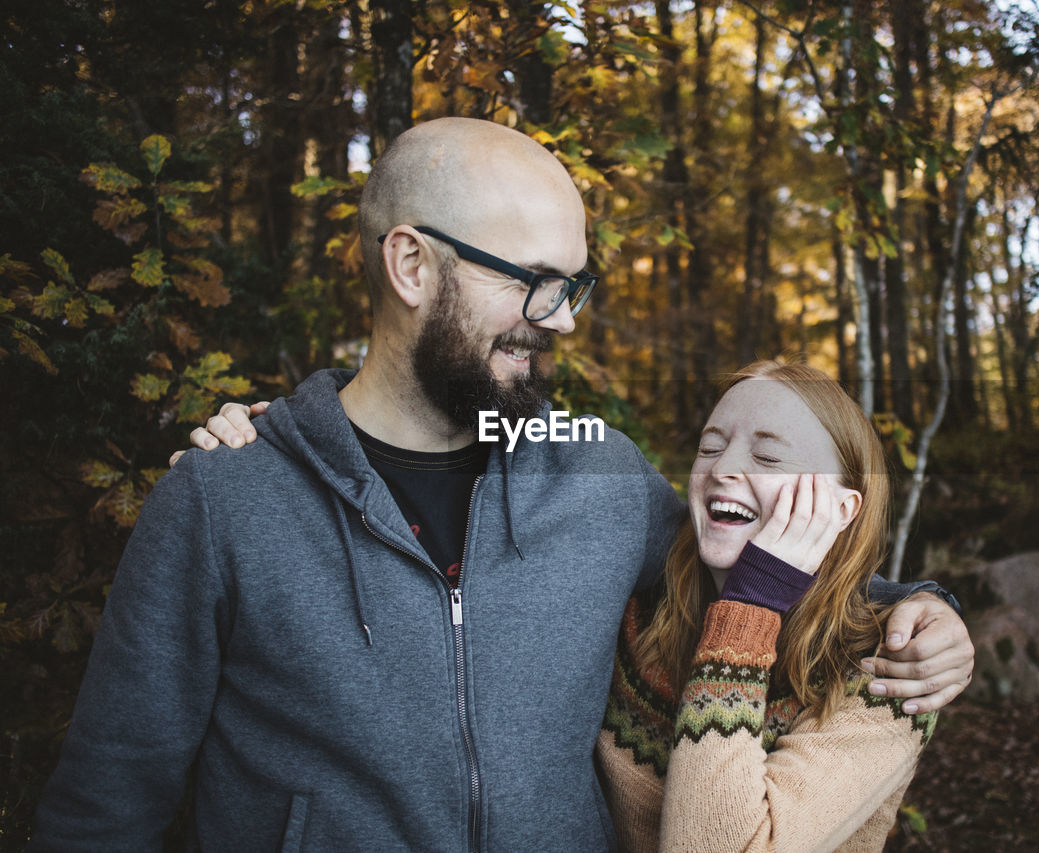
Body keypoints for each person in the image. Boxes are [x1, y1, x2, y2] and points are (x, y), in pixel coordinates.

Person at [32, 118, 971, 851]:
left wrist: (921, 610)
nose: (560, 322)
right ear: (411, 265)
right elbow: (105, 808)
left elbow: (737, 555)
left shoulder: (591, 467)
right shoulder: (222, 499)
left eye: (573, 286)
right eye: (534, 280)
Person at [598, 360, 937, 851]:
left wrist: (749, 606)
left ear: (842, 510)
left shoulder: (887, 674)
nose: (722, 467)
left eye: (769, 457)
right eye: (710, 447)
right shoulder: (634, 622)